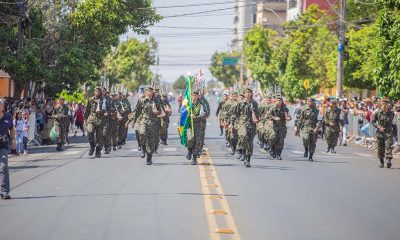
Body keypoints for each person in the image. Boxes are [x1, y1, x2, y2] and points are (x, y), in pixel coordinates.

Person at [129, 87, 160, 165]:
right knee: (142, 133)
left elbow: (160, 111)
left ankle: (149, 159)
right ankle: (143, 148)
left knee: (151, 143)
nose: (150, 93)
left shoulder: (156, 101)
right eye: (148, 91)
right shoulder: (142, 100)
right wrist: (133, 121)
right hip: (144, 121)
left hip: (153, 123)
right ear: (145, 93)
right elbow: (137, 111)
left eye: (151, 91)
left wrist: (157, 112)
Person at [232, 88, 259, 167]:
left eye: (249, 92)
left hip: (251, 125)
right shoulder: (240, 103)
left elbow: (258, 114)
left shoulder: (254, 103)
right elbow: (235, 114)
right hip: (242, 124)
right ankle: (243, 152)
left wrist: (256, 117)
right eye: (246, 92)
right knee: (243, 136)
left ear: (251, 94)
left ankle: (248, 159)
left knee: (250, 142)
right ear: (244, 94)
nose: (247, 94)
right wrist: (231, 123)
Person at [372, 99, 395, 168]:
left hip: (388, 132)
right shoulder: (378, 113)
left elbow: (392, 123)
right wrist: (379, 127)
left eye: (386, 104)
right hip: (380, 133)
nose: (384, 105)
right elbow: (373, 122)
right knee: (380, 148)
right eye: (383, 104)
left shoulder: (391, 113)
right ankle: (381, 161)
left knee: (388, 146)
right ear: (381, 104)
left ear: (388, 105)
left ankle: (388, 160)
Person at [186, 90, 207, 165]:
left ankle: (194, 158)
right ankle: (189, 151)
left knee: (196, 142)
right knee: (190, 140)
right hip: (189, 126)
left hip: (198, 126)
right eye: (192, 95)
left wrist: (195, 117)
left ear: (198, 96)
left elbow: (203, 115)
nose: (194, 97)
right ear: (190, 96)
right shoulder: (187, 104)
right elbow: (183, 115)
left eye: (195, 96)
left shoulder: (201, 105)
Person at [297, 98, 321, 162]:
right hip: (305, 127)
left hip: (314, 128)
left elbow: (320, 121)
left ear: (313, 102)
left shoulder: (317, 111)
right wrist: (298, 129)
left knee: (313, 143)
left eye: (311, 101)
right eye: (308, 101)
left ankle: (310, 156)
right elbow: (301, 119)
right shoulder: (304, 109)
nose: (309, 103)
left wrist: (317, 128)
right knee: (305, 138)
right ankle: (306, 149)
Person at [0, 99, 15, 200]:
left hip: (3, 145)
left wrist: (13, 138)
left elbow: (12, 128)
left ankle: (4, 191)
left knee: (4, 167)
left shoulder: (8, 116)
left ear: (3, 107)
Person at [85, 87, 105, 158]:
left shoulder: (103, 100)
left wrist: (101, 111)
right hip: (91, 118)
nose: (97, 93)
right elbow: (87, 110)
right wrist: (85, 120)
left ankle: (98, 150)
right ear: (94, 92)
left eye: (99, 91)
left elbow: (105, 109)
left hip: (100, 119)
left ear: (100, 92)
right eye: (96, 91)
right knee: (90, 132)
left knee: (99, 136)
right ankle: (92, 146)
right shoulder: (90, 99)